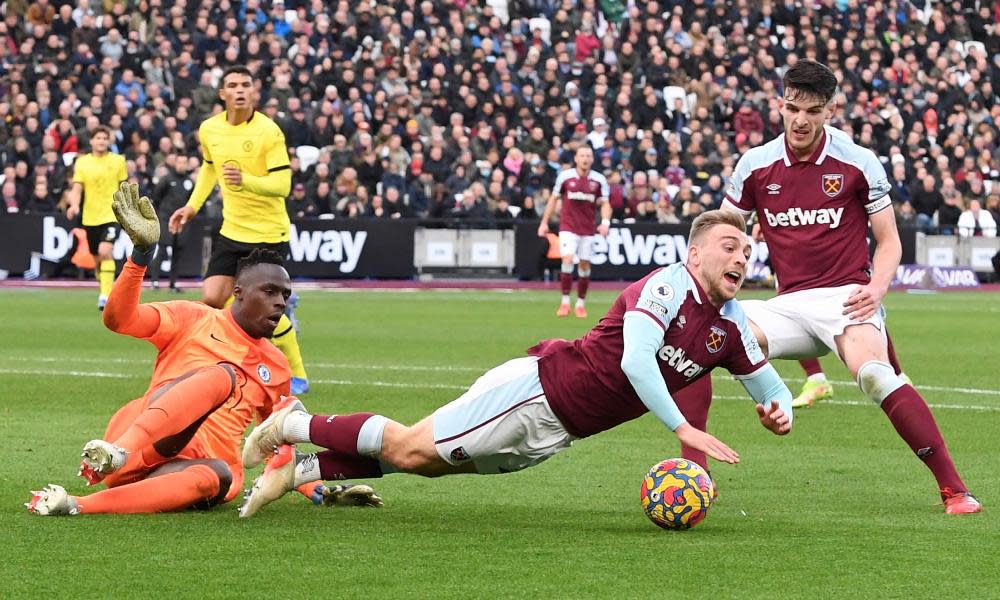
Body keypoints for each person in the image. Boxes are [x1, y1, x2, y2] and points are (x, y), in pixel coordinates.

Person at [237, 210, 796, 518]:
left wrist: (779, 411)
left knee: (426, 463)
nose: (741, 257)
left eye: (747, 251)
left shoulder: (732, 327)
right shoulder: (665, 286)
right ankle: (293, 424)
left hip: (561, 430)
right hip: (539, 392)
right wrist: (682, 427)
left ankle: (299, 472)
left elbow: (771, 387)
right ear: (694, 253)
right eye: (729, 245)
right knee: (410, 446)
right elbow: (636, 363)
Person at [709, 60, 979, 514]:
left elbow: (889, 241)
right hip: (788, 304)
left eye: (812, 111)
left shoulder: (856, 161)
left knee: (875, 376)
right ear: (780, 104)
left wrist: (876, 289)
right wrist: (732, 255)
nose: (800, 120)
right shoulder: (755, 165)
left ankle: (954, 489)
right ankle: (695, 468)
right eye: (792, 108)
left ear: (830, 111)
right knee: (704, 339)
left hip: (846, 297)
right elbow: (723, 233)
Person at [26, 183, 381, 516]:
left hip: (196, 472)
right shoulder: (192, 316)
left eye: (285, 297)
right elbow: (119, 320)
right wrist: (140, 255)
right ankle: (119, 453)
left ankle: (76, 504)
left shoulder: (276, 364)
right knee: (222, 376)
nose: (280, 304)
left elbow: (278, 440)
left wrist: (316, 489)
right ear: (238, 291)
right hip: (140, 441)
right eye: (270, 292)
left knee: (215, 474)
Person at [167, 66, 310, 395]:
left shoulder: (269, 132)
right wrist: (192, 206)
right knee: (212, 299)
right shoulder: (210, 129)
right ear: (222, 94)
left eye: (246, 84)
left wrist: (246, 181)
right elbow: (208, 168)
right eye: (233, 85)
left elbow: (283, 184)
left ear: (254, 92)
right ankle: (217, 362)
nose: (240, 90)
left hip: (268, 234)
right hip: (232, 230)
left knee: (258, 309)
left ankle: (297, 371)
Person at [536, 145, 612, 318]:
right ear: (576, 158)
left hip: (587, 229)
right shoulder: (565, 177)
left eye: (588, 155)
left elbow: (605, 203)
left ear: (592, 159)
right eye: (582, 155)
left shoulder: (599, 180)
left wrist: (605, 222)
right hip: (568, 227)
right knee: (568, 258)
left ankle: (580, 303)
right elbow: (553, 199)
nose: (585, 159)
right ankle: (564, 302)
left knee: (584, 264)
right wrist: (544, 222)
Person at [65, 125, 128, 311]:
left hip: (112, 214)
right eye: (98, 138)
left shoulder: (118, 161)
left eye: (104, 138)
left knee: (105, 250)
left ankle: (105, 296)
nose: (101, 141)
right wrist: (74, 205)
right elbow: (77, 188)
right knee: (97, 257)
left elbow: (124, 185)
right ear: (91, 141)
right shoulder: (82, 163)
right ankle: (105, 285)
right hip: (90, 217)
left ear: (108, 141)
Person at [149, 153, 193, 292]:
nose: (181, 165)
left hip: (182, 221)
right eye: (179, 162)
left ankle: (173, 283)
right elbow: (156, 196)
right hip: (166, 219)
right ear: (175, 163)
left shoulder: (189, 182)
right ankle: (154, 281)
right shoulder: (167, 179)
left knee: (177, 252)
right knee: (162, 249)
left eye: (184, 163)